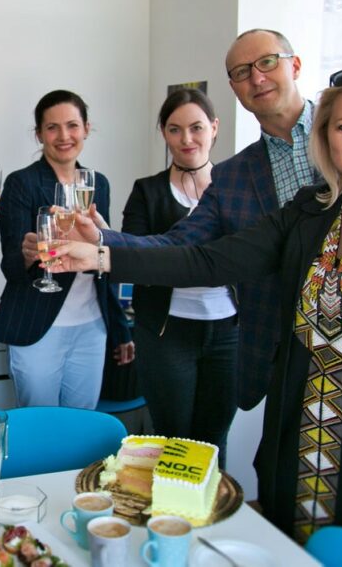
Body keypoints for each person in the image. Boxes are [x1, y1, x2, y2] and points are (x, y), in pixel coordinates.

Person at [50, 69, 342, 563]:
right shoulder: (310, 213)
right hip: (300, 443)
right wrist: (103, 256)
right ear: (325, 135)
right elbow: (208, 260)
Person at [48, 28, 318, 411]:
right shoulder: (236, 175)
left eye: (267, 62)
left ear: (295, 65)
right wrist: (102, 243)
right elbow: (179, 245)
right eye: (242, 72)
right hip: (271, 342)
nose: (257, 78)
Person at [0, 90, 132, 408]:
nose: (64, 136)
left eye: (72, 125)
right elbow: (10, 266)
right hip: (38, 325)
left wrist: (121, 328)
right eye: (52, 127)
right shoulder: (22, 183)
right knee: (41, 423)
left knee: (83, 423)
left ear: (86, 128)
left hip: (92, 327)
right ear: (39, 134)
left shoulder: (98, 183)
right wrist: (28, 255)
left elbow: (103, 260)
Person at [121, 88, 237, 466]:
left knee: (213, 441)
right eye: (174, 129)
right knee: (173, 440)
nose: (186, 139)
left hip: (229, 331)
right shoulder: (147, 191)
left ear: (214, 128)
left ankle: (211, 505)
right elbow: (130, 258)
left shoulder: (235, 186)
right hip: (166, 332)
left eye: (196, 127)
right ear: (164, 133)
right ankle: (172, 506)